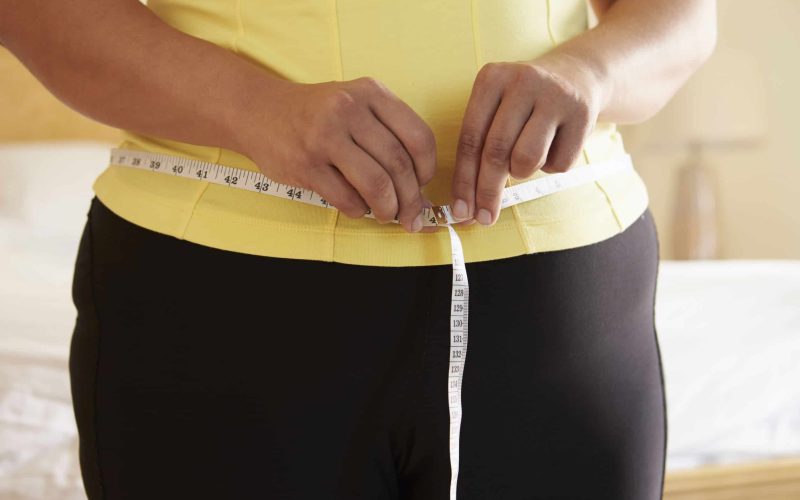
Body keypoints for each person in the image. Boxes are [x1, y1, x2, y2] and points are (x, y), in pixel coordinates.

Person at [0, 0, 716, 498]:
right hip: (215, 304)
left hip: (564, 303)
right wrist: (253, 108)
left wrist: (590, 74)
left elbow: (684, 15)